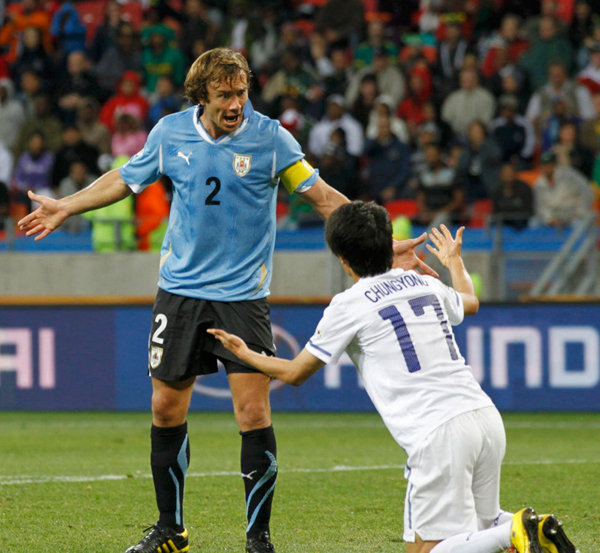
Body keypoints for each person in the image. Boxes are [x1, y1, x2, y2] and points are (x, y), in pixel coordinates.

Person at [18, 48, 433, 553]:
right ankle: (170, 530)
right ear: (201, 95)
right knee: (166, 407)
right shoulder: (170, 133)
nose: (236, 104)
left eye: (241, 92)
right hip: (180, 292)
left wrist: (380, 244)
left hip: (242, 297)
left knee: (253, 414)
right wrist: (66, 205)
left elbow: (324, 198)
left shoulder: (272, 139)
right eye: (225, 95)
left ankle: (258, 538)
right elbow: (124, 180)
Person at [209, 201, 580, 553]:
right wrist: (453, 261)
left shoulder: (348, 304)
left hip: (438, 434)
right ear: (389, 243)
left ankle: (522, 529)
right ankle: (523, 529)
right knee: (480, 530)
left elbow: (295, 372)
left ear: (342, 258)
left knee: (428, 548)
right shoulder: (424, 283)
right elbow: (471, 300)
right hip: (484, 416)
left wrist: (245, 354)